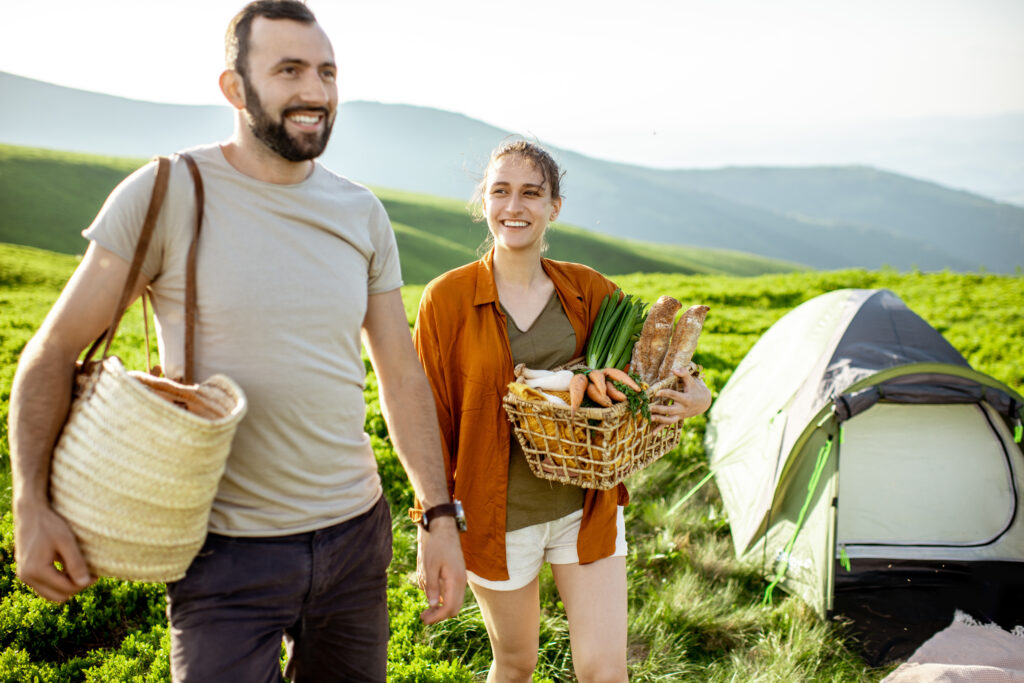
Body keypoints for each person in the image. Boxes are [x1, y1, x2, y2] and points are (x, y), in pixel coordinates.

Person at [7, 1, 465, 680]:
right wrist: (30, 503)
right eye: (288, 70)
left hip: (354, 537)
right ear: (233, 87)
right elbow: (51, 351)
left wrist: (437, 514)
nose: (315, 91)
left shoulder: (361, 212)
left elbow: (400, 373)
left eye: (327, 72)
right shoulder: (165, 192)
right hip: (222, 553)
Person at [412, 139, 712, 682]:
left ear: (554, 206)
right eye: (501, 191)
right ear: (484, 201)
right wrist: (431, 521)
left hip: (586, 508)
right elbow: (425, 415)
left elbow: (652, 366)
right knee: (517, 663)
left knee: (605, 672)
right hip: (495, 516)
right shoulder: (446, 299)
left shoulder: (587, 290)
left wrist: (698, 393)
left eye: (532, 193)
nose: (514, 206)